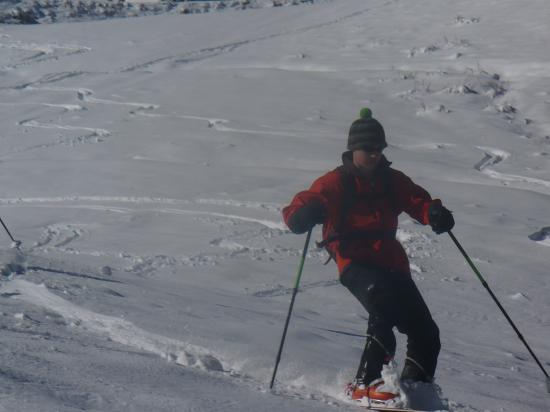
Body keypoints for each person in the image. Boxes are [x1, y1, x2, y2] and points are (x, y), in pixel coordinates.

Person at [282, 108, 454, 404]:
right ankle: (365, 383)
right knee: (383, 308)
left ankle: (415, 387)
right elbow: (298, 209)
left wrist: (434, 213)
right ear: (353, 149)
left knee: (426, 331)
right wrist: (302, 216)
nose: (375, 154)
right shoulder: (335, 182)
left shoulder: (392, 180)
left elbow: (417, 201)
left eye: (379, 149)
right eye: (368, 149)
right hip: (354, 260)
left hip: (390, 262)